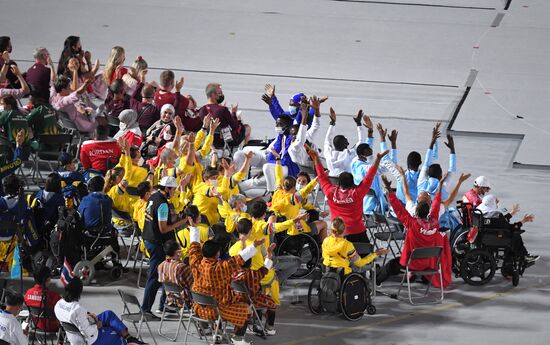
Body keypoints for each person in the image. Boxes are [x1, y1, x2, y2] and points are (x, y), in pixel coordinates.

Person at [188, 219, 265, 345]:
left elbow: (193, 247)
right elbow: (238, 260)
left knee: (225, 300)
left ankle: (217, 333)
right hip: (216, 310)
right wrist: (254, 246)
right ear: (216, 254)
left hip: (198, 308)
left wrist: (194, 228)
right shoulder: (219, 268)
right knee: (246, 310)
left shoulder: (195, 262)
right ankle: (238, 338)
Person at [378, 175, 452, 288]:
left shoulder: (411, 223)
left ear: (416, 211)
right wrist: (440, 185)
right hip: (429, 263)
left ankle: (375, 280)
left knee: (391, 265)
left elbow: (398, 209)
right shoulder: (435, 222)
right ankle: (423, 277)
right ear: (429, 212)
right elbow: (437, 203)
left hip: (412, 263)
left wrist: (389, 190)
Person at [311, 148, 389, 243]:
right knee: (367, 254)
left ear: (338, 184)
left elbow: (321, 176)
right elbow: (370, 175)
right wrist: (377, 160)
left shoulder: (330, 192)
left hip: (337, 234)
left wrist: (316, 157)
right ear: (352, 183)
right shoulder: (357, 193)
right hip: (357, 233)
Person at [141, 176, 187, 319]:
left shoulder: (153, 196)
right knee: (155, 276)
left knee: (164, 274)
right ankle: (146, 309)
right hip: (156, 242)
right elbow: (163, 228)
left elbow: (159, 218)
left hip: (149, 238)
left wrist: (177, 216)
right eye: (173, 190)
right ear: (166, 189)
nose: (173, 192)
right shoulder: (162, 204)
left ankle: (164, 305)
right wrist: (181, 223)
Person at [54, 278, 146, 345]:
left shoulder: (58, 305)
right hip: (90, 340)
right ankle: (126, 339)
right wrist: (97, 325)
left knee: (108, 314)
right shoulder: (77, 309)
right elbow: (89, 334)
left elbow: (70, 322)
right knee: (115, 333)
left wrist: (89, 316)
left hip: (74, 336)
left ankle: (129, 338)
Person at [229, 219, 278, 336]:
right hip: (251, 292)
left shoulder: (232, 250)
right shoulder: (254, 275)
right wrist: (269, 253)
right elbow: (266, 266)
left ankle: (254, 323)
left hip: (234, 294)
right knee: (270, 301)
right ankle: (268, 327)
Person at [476, 194, 538, 264]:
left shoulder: (480, 212)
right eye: (496, 202)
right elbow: (510, 227)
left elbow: (498, 222)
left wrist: (512, 213)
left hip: (483, 236)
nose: (497, 203)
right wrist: (523, 221)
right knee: (516, 235)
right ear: (492, 203)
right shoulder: (497, 215)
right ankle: (524, 256)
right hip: (494, 238)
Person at [322, 218, 388, 275]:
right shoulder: (347, 245)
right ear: (344, 230)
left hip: (327, 272)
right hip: (343, 274)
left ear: (331, 230)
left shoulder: (326, 241)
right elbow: (359, 263)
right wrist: (375, 254)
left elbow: (324, 256)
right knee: (363, 266)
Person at [197, 83, 249, 147]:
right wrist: (234, 113)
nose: (222, 95)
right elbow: (235, 126)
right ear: (213, 95)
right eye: (220, 93)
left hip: (210, 140)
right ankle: (244, 149)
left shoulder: (201, 110)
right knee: (245, 128)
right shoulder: (223, 110)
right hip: (226, 141)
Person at [323, 107, 371, 177]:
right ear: (345, 144)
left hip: (330, 184)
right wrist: (358, 124)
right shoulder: (349, 154)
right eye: (347, 142)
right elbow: (361, 141)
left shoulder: (328, 154)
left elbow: (327, 140)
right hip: (347, 186)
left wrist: (332, 123)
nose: (348, 143)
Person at [24, 266, 62, 333]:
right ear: (47, 279)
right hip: (52, 326)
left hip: (36, 324)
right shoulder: (53, 296)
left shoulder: (28, 293)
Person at [157, 240, 193, 309]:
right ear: (178, 252)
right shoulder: (181, 267)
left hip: (170, 299)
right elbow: (192, 283)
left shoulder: (161, 266)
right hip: (184, 300)